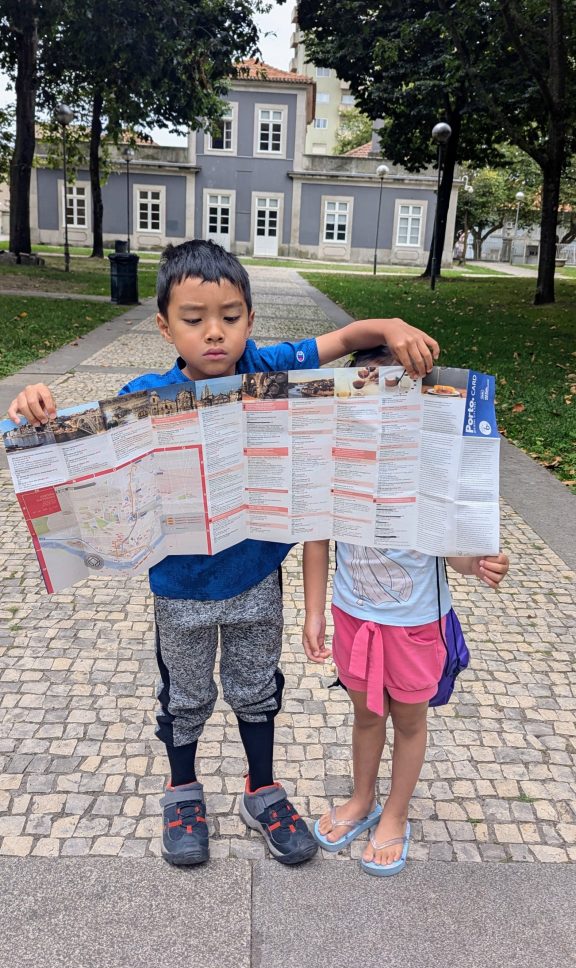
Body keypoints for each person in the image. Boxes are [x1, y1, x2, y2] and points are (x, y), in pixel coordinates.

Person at [7, 239, 440, 868]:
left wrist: (390, 326)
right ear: (164, 326)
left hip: (256, 578)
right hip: (179, 588)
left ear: (250, 319)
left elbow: (346, 341)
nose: (215, 332)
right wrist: (32, 407)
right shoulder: (144, 394)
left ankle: (262, 790)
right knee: (184, 696)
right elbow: (70, 436)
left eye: (230, 316)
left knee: (256, 688)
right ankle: (182, 791)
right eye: (194, 318)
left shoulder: (270, 368)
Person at [302, 346, 510, 877]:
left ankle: (395, 813)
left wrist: (477, 564)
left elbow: (453, 551)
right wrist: (314, 612)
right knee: (366, 714)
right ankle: (362, 798)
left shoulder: (432, 472)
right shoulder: (337, 465)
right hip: (354, 617)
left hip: (417, 624)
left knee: (410, 721)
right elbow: (317, 540)